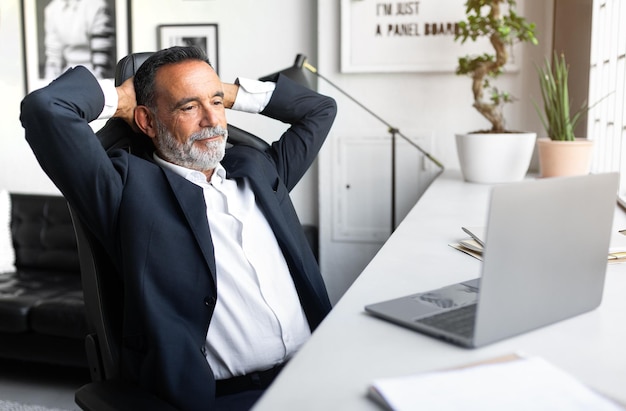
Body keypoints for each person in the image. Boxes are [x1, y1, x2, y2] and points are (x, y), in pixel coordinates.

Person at [20, 46, 337, 410]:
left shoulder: (259, 168)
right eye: (188, 107)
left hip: (317, 373)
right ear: (147, 122)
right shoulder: (126, 192)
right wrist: (123, 98)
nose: (212, 121)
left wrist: (222, 91)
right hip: (227, 399)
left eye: (216, 104)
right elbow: (45, 109)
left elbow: (320, 109)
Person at [43, 0, 115, 80]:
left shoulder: (97, 5)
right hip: (68, 75)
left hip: (94, 76)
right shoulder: (52, 9)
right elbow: (53, 56)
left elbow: (101, 61)